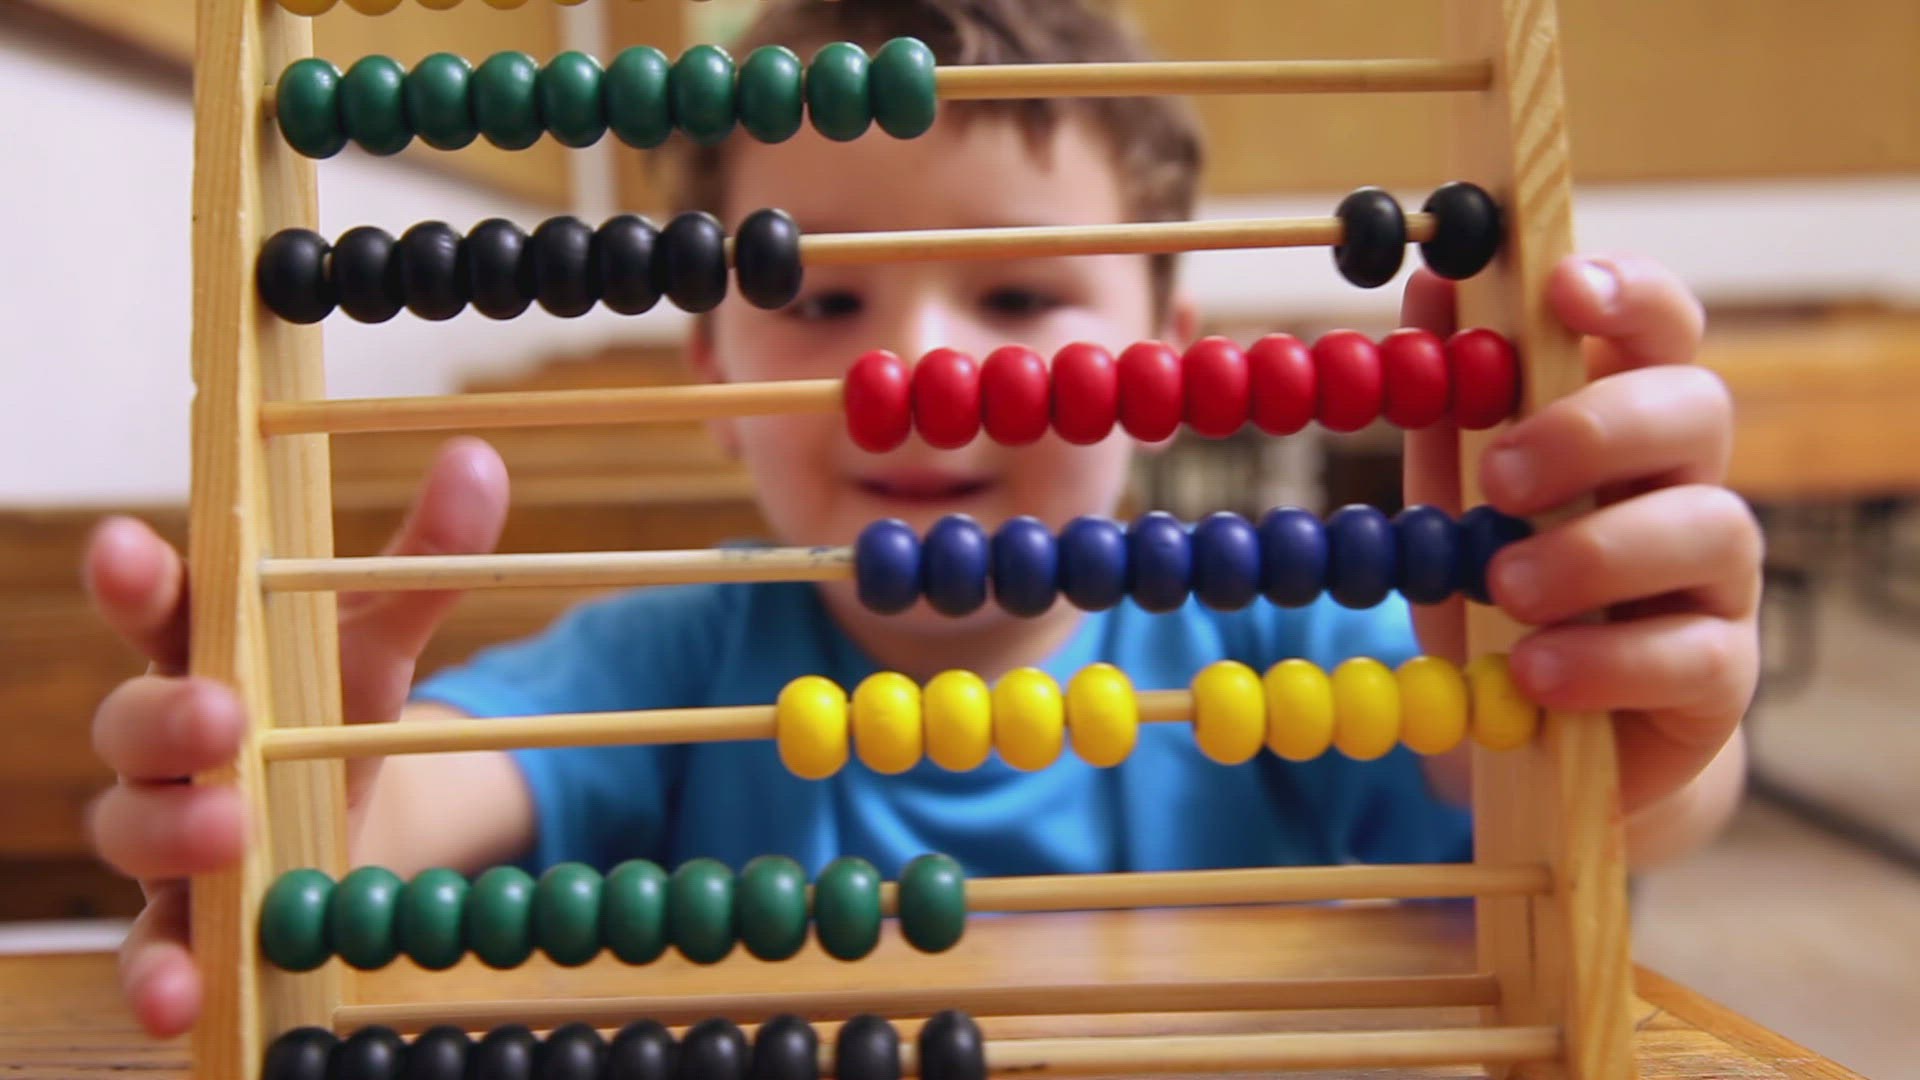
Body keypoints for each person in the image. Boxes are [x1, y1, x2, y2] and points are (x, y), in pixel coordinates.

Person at [82, 0, 1758, 1039]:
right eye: (821, 300)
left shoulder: (1290, 649)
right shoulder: (670, 668)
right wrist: (307, 810)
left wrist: (1630, 723)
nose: (914, 378)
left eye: (1020, 295)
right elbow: (415, 801)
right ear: (712, 362)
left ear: (1166, 359)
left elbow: (1575, 805)